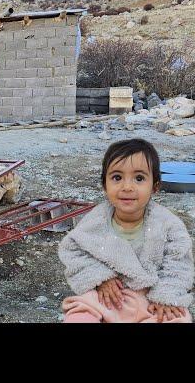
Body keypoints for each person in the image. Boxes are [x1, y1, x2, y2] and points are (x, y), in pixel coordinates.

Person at [58, 138, 193, 323]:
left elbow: (179, 265)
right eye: (117, 178)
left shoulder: (169, 225)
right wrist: (100, 278)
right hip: (111, 297)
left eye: (139, 178)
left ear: (155, 186)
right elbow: (74, 251)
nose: (127, 187)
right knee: (80, 312)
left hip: (151, 298)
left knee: (179, 317)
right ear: (105, 186)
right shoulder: (95, 222)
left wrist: (165, 297)